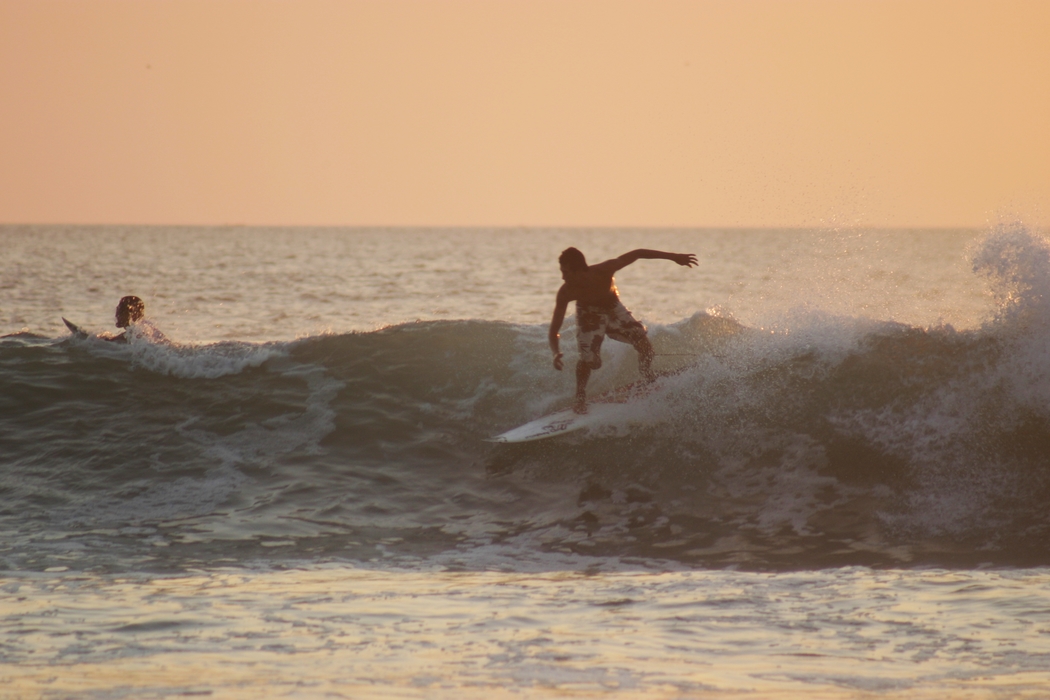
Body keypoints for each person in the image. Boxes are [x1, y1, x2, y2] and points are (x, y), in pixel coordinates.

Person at [549, 247, 698, 413]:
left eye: (566, 272)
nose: (563, 277)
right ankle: (580, 397)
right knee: (591, 361)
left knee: (644, 344)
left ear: (578, 270)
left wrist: (674, 256)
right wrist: (556, 352)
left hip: (613, 307)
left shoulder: (604, 270)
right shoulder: (566, 291)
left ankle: (647, 374)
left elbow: (638, 253)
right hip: (588, 314)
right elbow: (554, 327)